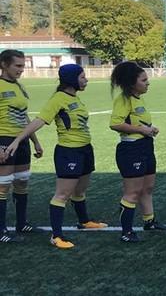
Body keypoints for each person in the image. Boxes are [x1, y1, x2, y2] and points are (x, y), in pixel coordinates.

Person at [2, 64, 107, 249]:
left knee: (80, 190)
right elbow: (39, 120)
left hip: (85, 149)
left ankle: (84, 221)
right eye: (82, 77)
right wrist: (18, 140)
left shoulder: (75, 97)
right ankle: (56, 236)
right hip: (69, 152)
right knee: (62, 194)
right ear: (72, 79)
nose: (86, 80)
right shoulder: (58, 99)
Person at [110, 62, 166, 243]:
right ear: (131, 83)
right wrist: (141, 130)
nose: (147, 83)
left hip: (145, 147)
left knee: (147, 188)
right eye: (143, 80)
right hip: (131, 150)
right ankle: (126, 232)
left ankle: (149, 221)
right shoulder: (123, 99)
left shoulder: (138, 99)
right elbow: (115, 123)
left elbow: (138, 122)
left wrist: (150, 129)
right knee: (133, 192)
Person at [0, 50, 44, 243]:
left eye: (23, 66)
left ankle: (22, 223)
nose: (21, 70)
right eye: (17, 66)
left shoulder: (20, 86)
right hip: (4, 139)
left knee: (22, 181)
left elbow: (24, 117)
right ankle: (1, 231)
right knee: (3, 185)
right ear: (4, 64)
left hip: (22, 141)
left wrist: (35, 141)